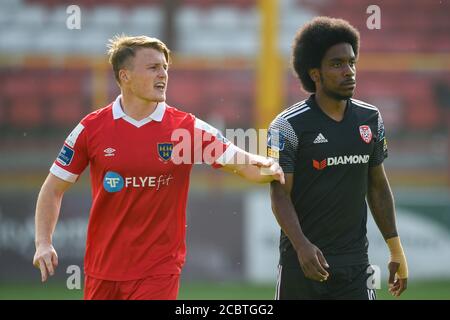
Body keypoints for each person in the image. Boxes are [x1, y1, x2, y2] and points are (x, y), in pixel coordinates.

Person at [33, 35, 284, 300]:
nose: (163, 74)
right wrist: (43, 243)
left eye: (165, 67)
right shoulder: (91, 128)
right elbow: (52, 189)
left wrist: (275, 167)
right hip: (102, 270)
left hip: (158, 271)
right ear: (125, 76)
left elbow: (244, 164)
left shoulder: (186, 128)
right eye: (153, 67)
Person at [268, 17, 408, 300]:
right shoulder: (287, 126)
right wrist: (301, 246)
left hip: (356, 265)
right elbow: (279, 193)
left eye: (352, 62)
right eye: (337, 64)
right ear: (315, 74)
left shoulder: (371, 118)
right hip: (304, 263)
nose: (349, 72)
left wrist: (396, 250)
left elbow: (378, 186)